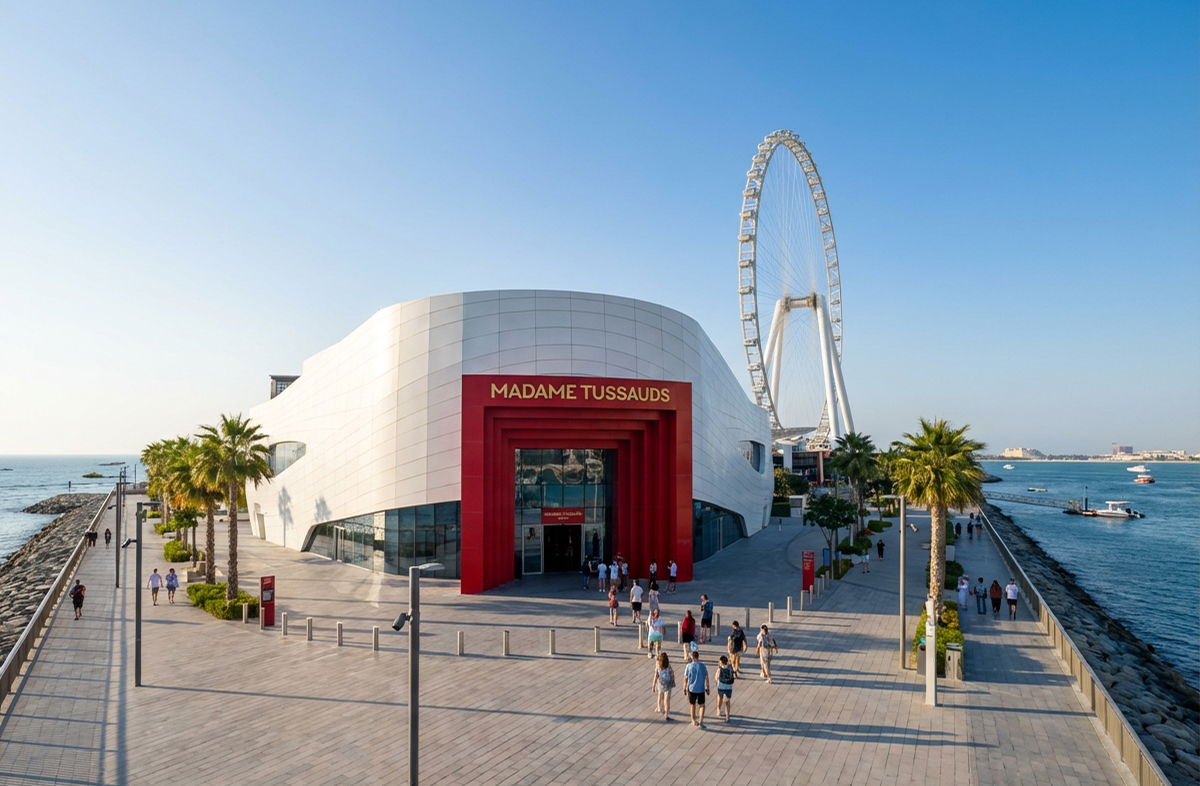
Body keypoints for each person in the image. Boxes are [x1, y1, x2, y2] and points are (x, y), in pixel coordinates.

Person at [683, 650, 710, 728]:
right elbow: (706, 677)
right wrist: (707, 688)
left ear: (692, 657)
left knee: (692, 704)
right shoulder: (702, 666)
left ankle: (693, 720)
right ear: (698, 657)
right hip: (701, 688)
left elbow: (685, 678)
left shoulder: (689, 666)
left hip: (691, 688)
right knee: (702, 705)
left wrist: (684, 688)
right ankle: (700, 721)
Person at [651, 652, 675, 721]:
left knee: (659, 695)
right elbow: (672, 673)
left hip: (660, 684)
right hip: (667, 684)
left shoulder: (658, 665)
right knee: (666, 700)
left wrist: (653, 685)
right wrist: (673, 682)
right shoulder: (668, 666)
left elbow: (656, 675)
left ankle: (659, 708)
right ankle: (666, 714)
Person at [716, 655, 735, 721]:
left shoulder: (720, 668)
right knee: (727, 701)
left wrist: (717, 683)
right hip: (729, 687)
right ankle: (727, 715)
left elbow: (717, 677)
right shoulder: (730, 667)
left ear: (722, 662)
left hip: (721, 686)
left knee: (719, 698)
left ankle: (719, 710)